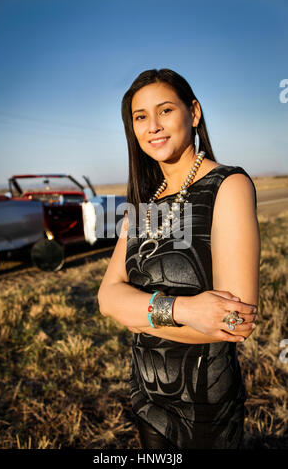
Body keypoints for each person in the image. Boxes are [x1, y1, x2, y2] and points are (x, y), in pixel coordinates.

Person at [97, 68, 260, 449]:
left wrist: (135, 311)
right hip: (146, 397)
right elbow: (107, 298)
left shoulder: (227, 186)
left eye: (165, 110)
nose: (152, 126)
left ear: (194, 113)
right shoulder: (145, 202)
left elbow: (235, 321)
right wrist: (186, 311)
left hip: (204, 404)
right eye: (140, 117)